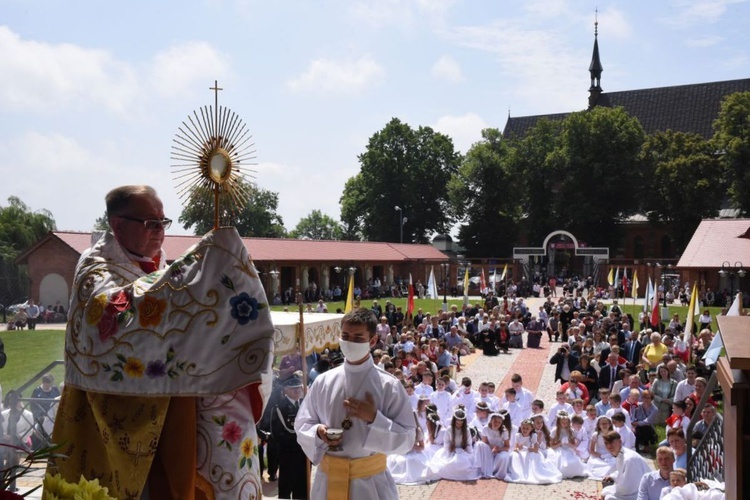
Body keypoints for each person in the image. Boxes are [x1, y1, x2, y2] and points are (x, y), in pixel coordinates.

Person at [50, 185, 276, 499]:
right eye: (151, 223)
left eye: (163, 222)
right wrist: (198, 265)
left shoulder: (161, 267)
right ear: (118, 225)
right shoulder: (95, 268)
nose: (160, 231)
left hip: (170, 414)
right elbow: (109, 319)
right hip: (113, 420)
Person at [295, 307, 416, 500]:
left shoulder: (388, 386)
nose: (350, 342)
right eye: (345, 336)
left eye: (358, 338)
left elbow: (408, 439)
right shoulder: (323, 381)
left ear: (373, 341)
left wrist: (375, 418)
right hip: (328, 481)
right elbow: (302, 424)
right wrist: (318, 432)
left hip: (370, 484)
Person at [270, 374, 309, 499]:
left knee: (302, 487)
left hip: (303, 453)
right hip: (287, 454)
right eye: (293, 388)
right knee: (286, 486)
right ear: (285, 390)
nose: (297, 390)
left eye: (298, 387)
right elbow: (276, 433)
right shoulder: (279, 408)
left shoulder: (305, 404)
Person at [600, 431, 651, 500]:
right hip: (633, 490)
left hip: (641, 493)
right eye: (606, 443)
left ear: (620, 442)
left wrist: (608, 491)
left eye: (611, 442)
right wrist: (612, 476)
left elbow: (628, 488)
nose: (609, 446)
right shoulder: (620, 454)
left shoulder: (629, 458)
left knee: (609, 497)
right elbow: (622, 472)